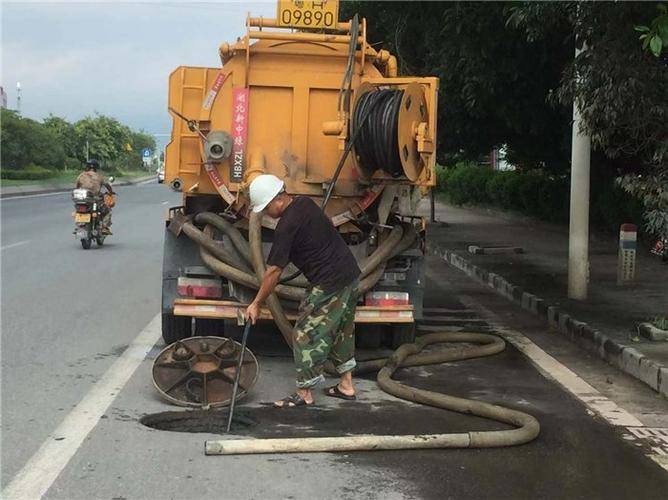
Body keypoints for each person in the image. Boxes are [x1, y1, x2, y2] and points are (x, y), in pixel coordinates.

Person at [245, 174, 360, 408]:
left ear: (278, 200)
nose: (266, 213)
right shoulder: (304, 203)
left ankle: (304, 393)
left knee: (305, 334)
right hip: (350, 274)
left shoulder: (287, 225)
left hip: (330, 282)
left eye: (266, 208)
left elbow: (273, 272)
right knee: (340, 331)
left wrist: (256, 303)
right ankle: (346, 385)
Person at [75, 159, 114, 235]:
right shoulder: (99, 176)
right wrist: (111, 192)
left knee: (78, 211)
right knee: (107, 210)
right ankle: (104, 227)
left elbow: (76, 186)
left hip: (83, 199)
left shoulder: (81, 175)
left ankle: (80, 225)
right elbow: (107, 185)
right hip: (95, 199)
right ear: (96, 167)